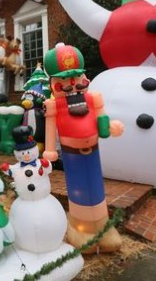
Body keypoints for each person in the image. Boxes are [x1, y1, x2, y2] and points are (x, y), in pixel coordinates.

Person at [43, 43, 123, 253]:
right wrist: (50, 150)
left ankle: (103, 227)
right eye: (64, 81)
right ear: (54, 83)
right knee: (79, 192)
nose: (72, 85)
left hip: (93, 154)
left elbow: (102, 121)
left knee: (97, 189)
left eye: (77, 78)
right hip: (72, 157)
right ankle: (81, 228)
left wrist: (111, 127)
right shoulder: (54, 105)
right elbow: (50, 127)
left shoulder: (93, 99)